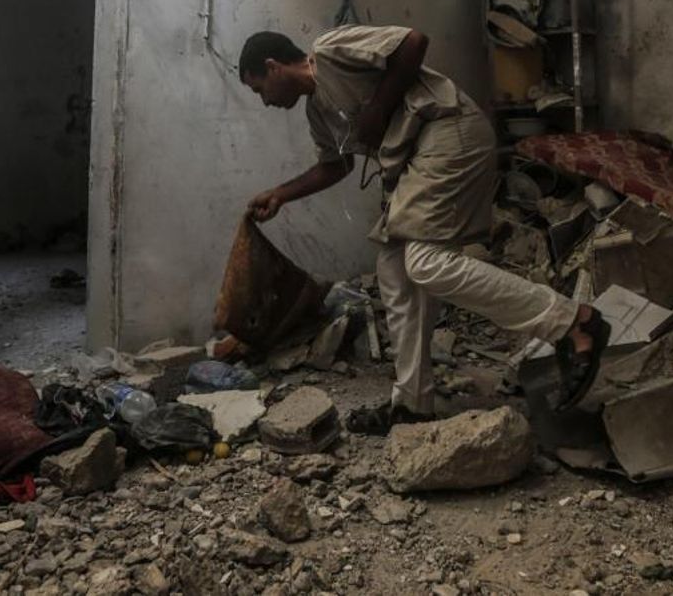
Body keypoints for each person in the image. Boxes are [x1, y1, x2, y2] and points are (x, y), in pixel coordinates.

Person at [239, 24, 609, 433]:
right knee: (394, 269)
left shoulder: (328, 51)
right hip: (417, 158)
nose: (265, 102)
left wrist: (378, 109)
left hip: (447, 130)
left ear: (273, 67)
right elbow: (337, 165)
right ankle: (412, 403)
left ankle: (573, 321)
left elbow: (412, 41)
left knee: (426, 262)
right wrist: (281, 194)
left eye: (259, 90)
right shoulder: (318, 113)